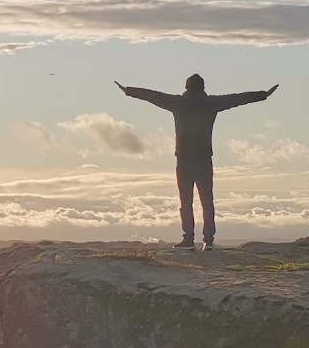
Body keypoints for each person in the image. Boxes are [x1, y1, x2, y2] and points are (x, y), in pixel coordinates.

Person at [115, 74, 277, 249]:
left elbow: (153, 96)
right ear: (203, 87)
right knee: (207, 200)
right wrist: (263, 94)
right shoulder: (211, 103)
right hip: (204, 158)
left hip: (184, 159)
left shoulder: (177, 103)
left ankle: (188, 240)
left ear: (186, 87)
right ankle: (208, 241)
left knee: (186, 201)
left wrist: (129, 91)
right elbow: (238, 99)